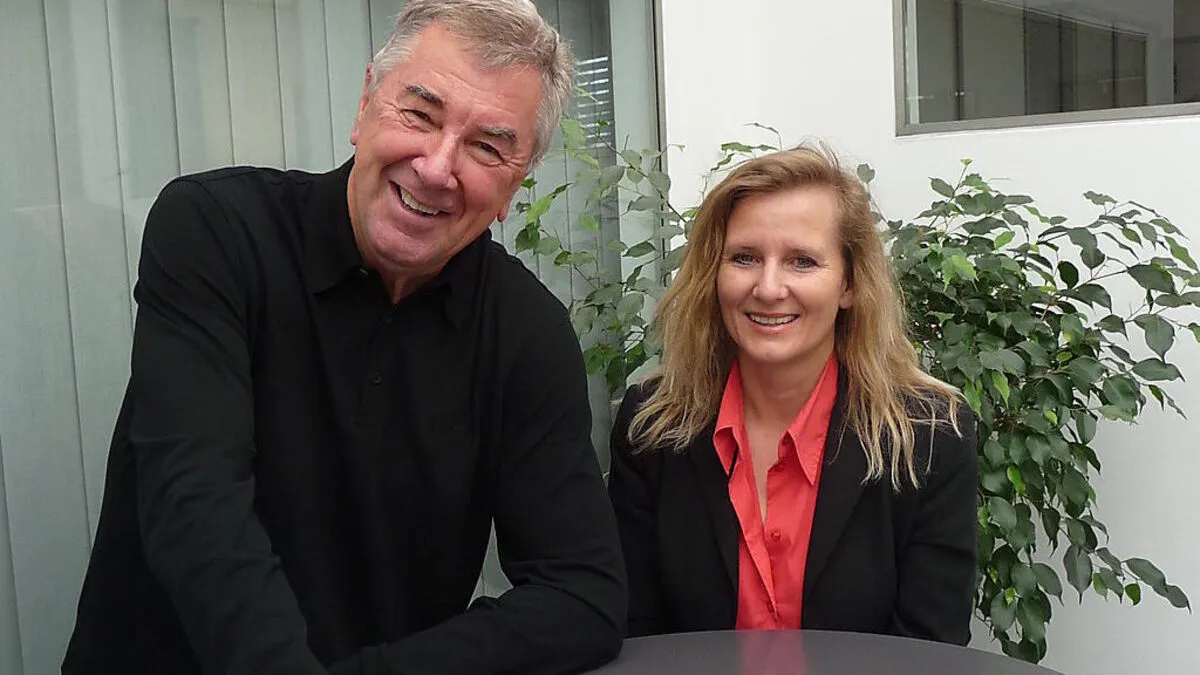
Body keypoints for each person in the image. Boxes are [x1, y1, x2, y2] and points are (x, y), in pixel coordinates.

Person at [62, 2, 626, 673]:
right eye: (420, 114)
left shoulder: (525, 332)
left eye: (486, 147)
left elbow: (582, 593)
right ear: (365, 107)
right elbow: (195, 504)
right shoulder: (217, 233)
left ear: (515, 185)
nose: (436, 167)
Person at [607, 144, 979, 644]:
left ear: (849, 284)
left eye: (802, 261)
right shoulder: (652, 428)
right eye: (744, 258)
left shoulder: (928, 436)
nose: (768, 288)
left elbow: (928, 649)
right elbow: (639, 636)